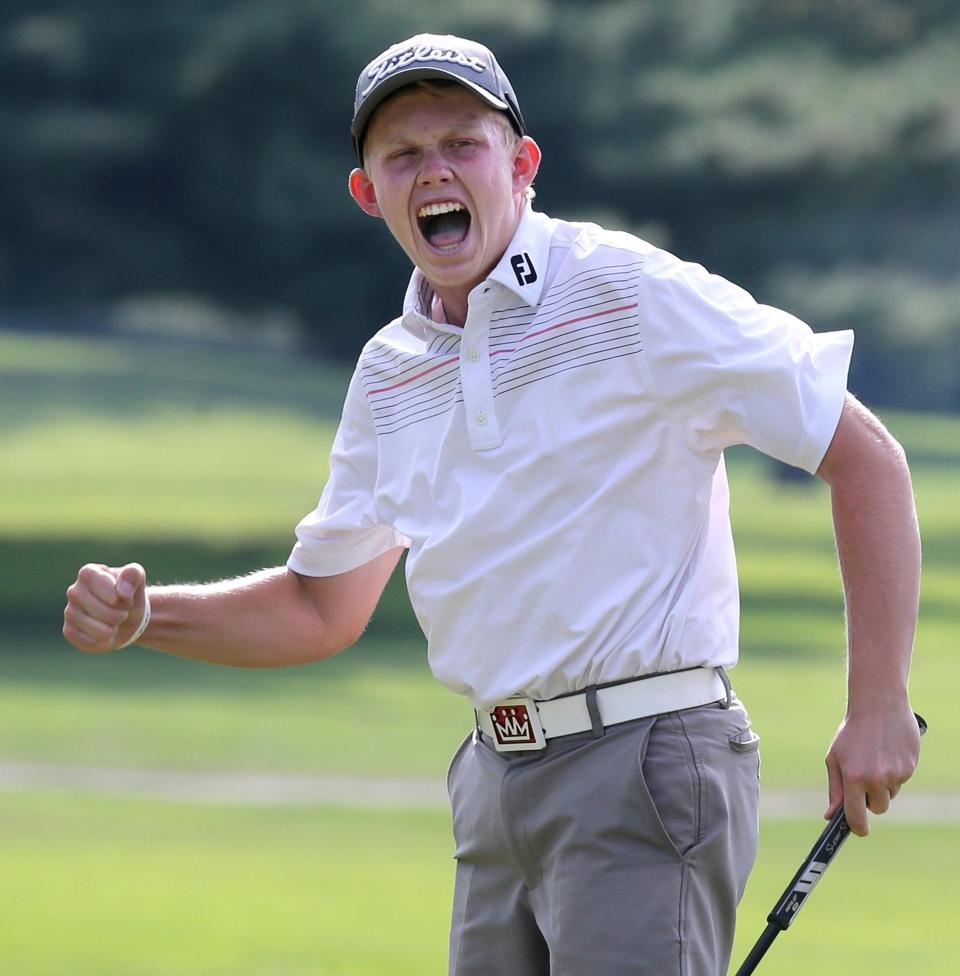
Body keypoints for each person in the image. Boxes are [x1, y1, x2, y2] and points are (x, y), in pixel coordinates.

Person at [63, 33, 922, 976]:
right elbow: (320, 606)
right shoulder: (390, 371)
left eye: (462, 144)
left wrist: (876, 702)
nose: (434, 171)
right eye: (403, 154)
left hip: (644, 763)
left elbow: (864, 457)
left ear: (521, 165)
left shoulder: (625, 289)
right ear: (369, 192)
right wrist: (148, 616)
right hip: (492, 782)